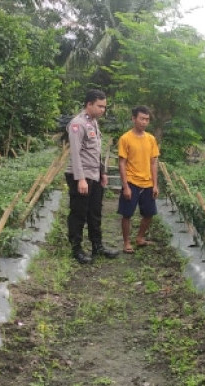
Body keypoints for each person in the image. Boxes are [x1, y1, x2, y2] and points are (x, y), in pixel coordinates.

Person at [65, 89, 119, 264]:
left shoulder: (93, 123)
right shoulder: (77, 124)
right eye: (100, 106)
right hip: (81, 176)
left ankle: (97, 246)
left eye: (104, 106)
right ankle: (76, 248)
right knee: (79, 213)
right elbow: (75, 153)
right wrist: (80, 179)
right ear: (89, 104)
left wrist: (102, 172)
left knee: (95, 212)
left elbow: (96, 151)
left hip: (94, 175)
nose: (103, 110)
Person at [117, 105, 160, 254]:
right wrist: (126, 186)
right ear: (133, 119)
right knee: (127, 214)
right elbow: (122, 163)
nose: (144, 122)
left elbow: (153, 162)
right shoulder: (125, 138)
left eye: (147, 119)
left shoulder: (151, 139)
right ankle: (126, 242)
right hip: (131, 182)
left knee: (149, 214)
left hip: (147, 183)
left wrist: (155, 185)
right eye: (142, 119)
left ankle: (140, 238)